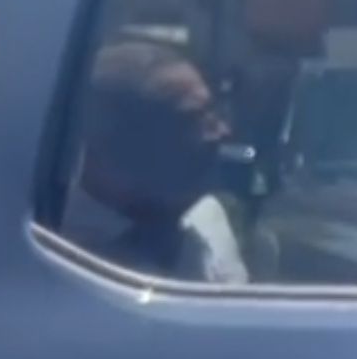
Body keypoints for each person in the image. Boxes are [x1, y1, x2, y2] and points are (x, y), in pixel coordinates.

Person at [69, 39, 249, 284]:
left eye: (214, 112)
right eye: (192, 119)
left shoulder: (206, 217)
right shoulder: (51, 239)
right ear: (119, 141)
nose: (222, 132)